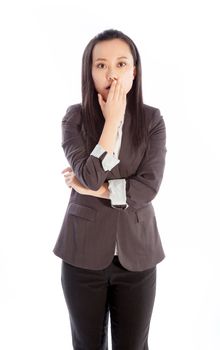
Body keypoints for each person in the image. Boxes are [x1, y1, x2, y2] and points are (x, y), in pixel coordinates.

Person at [53, 28, 167, 350]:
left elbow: (148, 188)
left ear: (134, 71)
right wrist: (111, 124)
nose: (111, 73)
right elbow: (88, 176)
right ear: (89, 72)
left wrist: (98, 193)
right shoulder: (74, 119)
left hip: (139, 255)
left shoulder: (152, 120)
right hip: (81, 255)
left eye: (120, 64)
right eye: (101, 65)